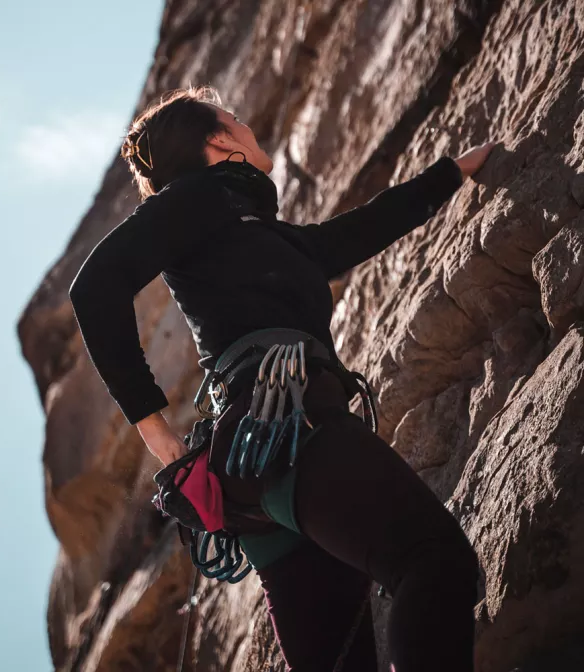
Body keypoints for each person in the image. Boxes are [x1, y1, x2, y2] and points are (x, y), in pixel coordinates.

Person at [69, 85, 495, 672]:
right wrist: (160, 439)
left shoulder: (256, 231)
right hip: (289, 432)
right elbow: (93, 289)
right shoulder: (198, 198)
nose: (249, 127)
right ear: (219, 141)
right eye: (236, 119)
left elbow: (355, 233)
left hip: (259, 473)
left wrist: (453, 172)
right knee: (434, 558)